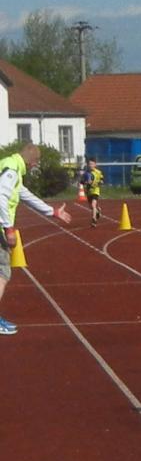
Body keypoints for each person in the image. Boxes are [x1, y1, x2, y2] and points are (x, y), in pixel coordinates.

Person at [0, 143, 72, 334]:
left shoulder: (10, 166)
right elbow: (1, 197)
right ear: (32, 162)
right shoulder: (12, 169)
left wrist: (52, 212)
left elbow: (25, 195)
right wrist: (8, 228)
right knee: (2, 273)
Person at [81, 157, 104, 227]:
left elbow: (102, 180)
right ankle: (97, 211)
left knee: (93, 205)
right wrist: (86, 182)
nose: (90, 165)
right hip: (88, 191)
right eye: (89, 164)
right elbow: (82, 182)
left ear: (95, 164)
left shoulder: (98, 172)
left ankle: (94, 220)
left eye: (92, 164)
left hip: (96, 190)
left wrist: (98, 183)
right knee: (91, 207)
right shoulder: (86, 173)